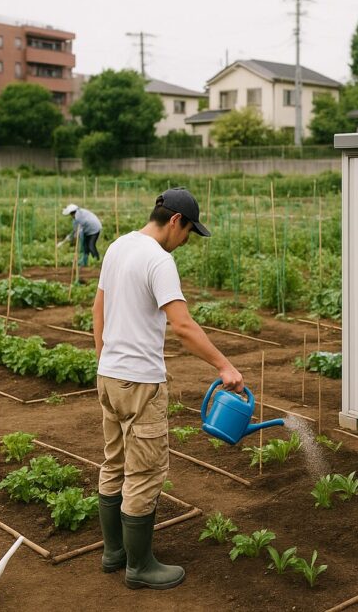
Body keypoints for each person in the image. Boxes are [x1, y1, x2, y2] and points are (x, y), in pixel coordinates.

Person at [92, 187, 244, 590]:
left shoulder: (117, 247)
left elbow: (99, 309)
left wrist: (104, 361)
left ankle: (114, 553)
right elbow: (182, 327)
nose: (186, 242)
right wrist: (224, 365)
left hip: (109, 376)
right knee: (145, 471)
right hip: (140, 382)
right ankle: (139, 567)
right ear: (175, 220)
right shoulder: (158, 260)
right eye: (189, 232)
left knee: (114, 461)